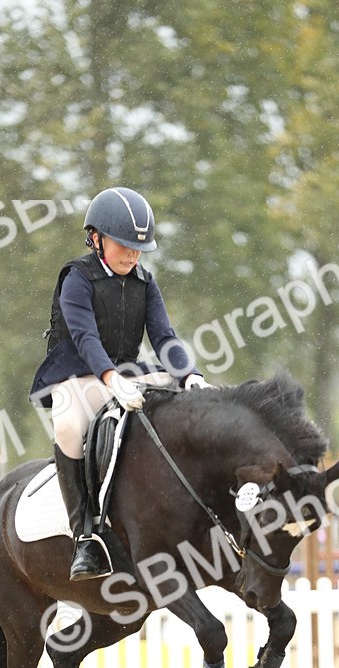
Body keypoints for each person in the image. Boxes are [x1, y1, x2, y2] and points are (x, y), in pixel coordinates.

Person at [30, 186, 210, 581]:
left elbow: (164, 337)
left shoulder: (145, 281)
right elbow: (85, 338)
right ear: (96, 239)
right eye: (124, 245)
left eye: (138, 248)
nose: (132, 254)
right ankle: (84, 538)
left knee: (179, 400)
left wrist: (190, 374)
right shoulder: (76, 278)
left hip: (126, 371)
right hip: (76, 374)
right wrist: (111, 378)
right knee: (67, 427)